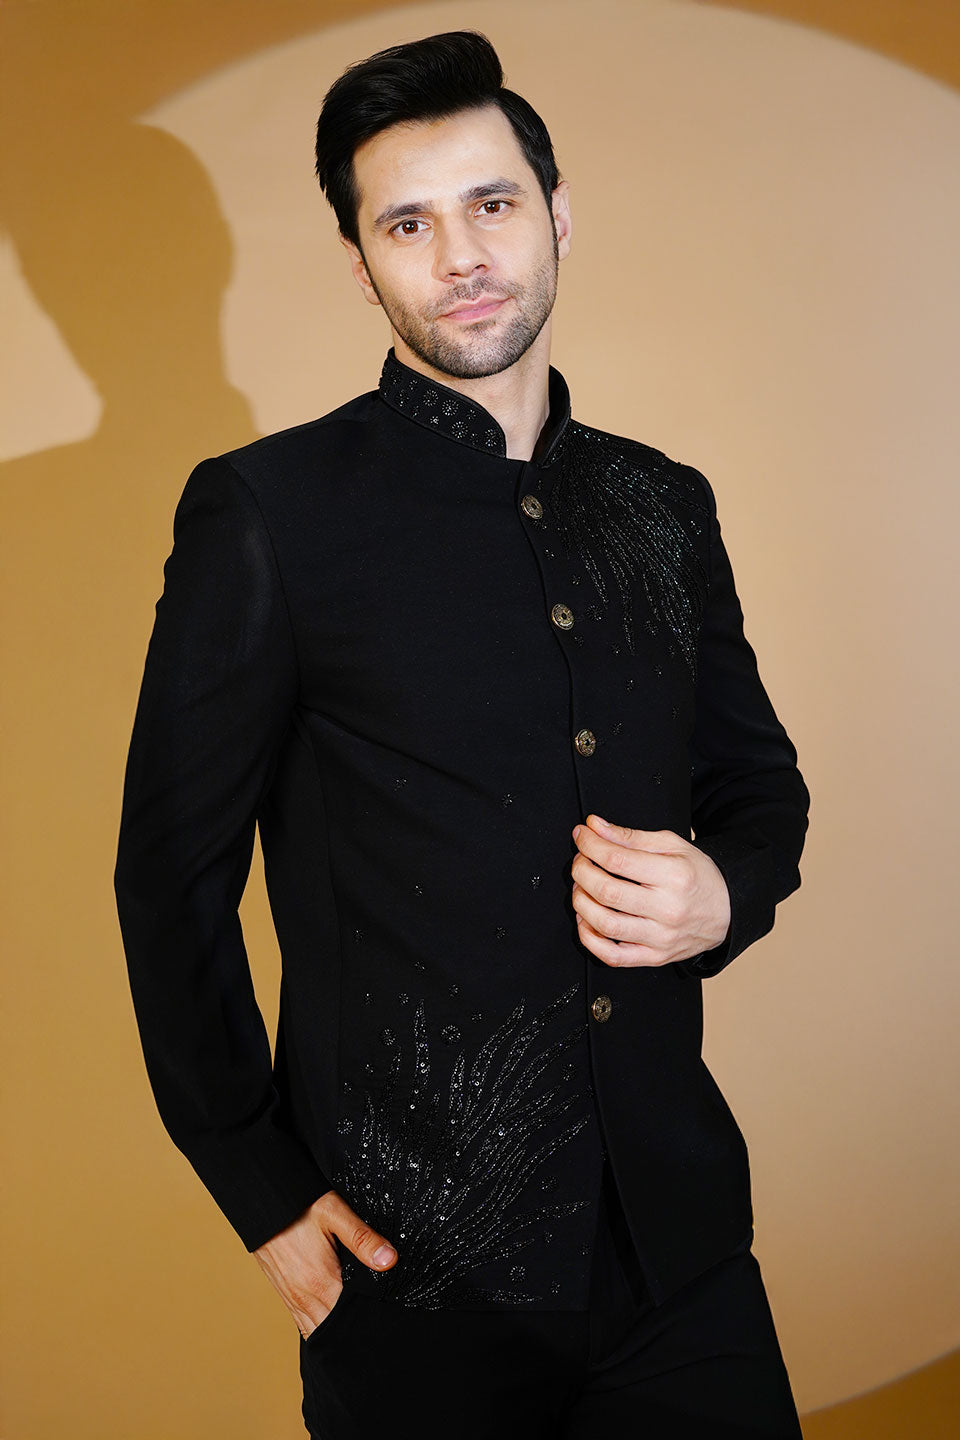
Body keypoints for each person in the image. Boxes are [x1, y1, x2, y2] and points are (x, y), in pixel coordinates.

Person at [114, 28, 810, 1439]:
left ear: (557, 215)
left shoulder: (663, 505)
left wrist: (725, 892)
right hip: (414, 1282)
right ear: (359, 262)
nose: (460, 256)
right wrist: (260, 1192)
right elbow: (168, 883)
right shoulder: (267, 515)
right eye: (406, 224)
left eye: (491, 204)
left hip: (679, 1253)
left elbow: (759, 785)